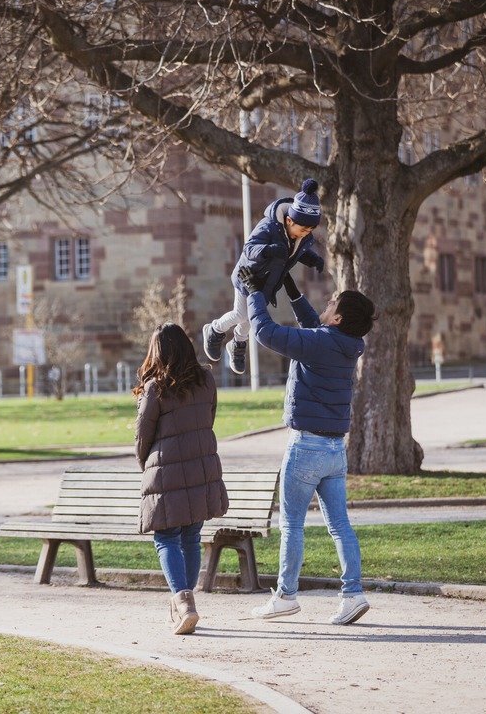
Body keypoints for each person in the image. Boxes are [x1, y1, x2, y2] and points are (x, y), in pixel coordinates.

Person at [238, 267, 376, 625]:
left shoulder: (321, 343)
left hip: (305, 448)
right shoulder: (348, 345)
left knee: (293, 525)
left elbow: (267, 334)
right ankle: (353, 594)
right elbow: (317, 328)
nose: (327, 303)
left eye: (332, 303)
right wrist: (292, 292)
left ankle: (285, 595)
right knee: (340, 525)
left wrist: (254, 293)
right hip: (335, 451)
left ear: (340, 317)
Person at [133, 322, 230, 635]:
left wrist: (145, 463)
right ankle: (184, 605)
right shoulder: (206, 380)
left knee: (165, 537)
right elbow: (208, 419)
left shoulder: (154, 388)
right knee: (190, 536)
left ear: (157, 352)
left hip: (167, 470)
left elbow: (142, 436)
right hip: (201, 468)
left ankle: (183, 603)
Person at [202, 178, 325, 375]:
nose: (304, 235)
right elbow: (249, 249)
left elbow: (298, 251)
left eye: (309, 231)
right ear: (289, 220)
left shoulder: (300, 235)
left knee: (251, 319)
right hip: (248, 276)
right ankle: (215, 328)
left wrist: (313, 259)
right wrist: (268, 250)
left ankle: (237, 345)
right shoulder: (268, 226)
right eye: (302, 230)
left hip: (268, 284)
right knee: (241, 314)